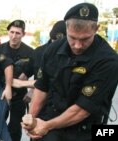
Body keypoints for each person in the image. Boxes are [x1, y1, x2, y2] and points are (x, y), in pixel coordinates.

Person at [21, 3, 118, 141]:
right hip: (50, 118)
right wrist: (31, 120)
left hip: (85, 128)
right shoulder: (52, 50)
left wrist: (47, 126)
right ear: (66, 27)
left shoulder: (108, 60)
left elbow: (82, 109)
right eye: (72, 38)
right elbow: (42, 88)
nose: (77, 46)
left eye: (85, 39)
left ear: (96, 29)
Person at [0, 20, 35, 141]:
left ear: (23, 34)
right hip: (1, 93)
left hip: (20, 96)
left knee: (15, 128)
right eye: (12, 32)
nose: (14, 36)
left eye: (18, 33)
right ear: (8, 32)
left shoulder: (31, 53)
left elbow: (41, 75)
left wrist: (32, 92)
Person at [12, 20, 66, 88]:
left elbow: (53, 82)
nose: (56, 45)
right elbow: (26, 73)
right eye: (54, 41)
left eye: (61, 43)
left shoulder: (70, 56)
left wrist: (22, 84)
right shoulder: (38, 52)